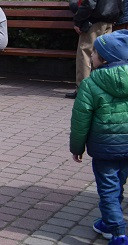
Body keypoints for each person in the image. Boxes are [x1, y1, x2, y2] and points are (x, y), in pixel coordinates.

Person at [70, 30, 128, 245]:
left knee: (108, 189)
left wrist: (77, 147)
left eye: (94, 53)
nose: (91, 56)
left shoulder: (91, 84)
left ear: (104, 59)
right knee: (117, 184)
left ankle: (118, 233)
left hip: (105, 149)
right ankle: (107, 221)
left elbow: (80, 121)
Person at [69, 0, 123, 99]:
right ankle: (100, 88)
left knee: (85, 53)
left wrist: (78, 21)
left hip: (94, 21)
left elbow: (88, 3)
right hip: (109, 21)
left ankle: (84, 90)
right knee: (104, 55)